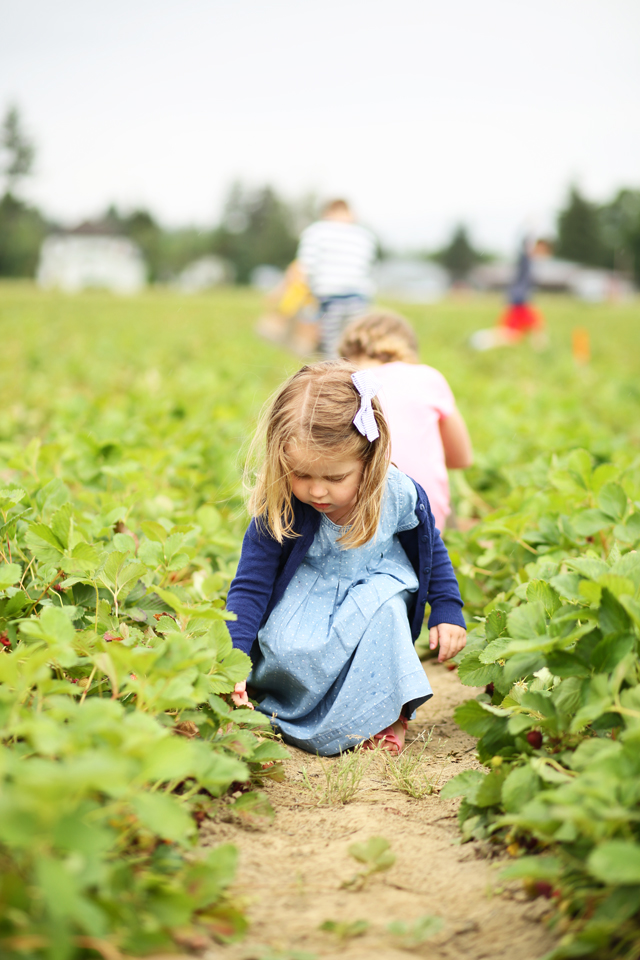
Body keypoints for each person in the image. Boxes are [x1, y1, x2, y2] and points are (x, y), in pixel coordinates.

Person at [225, 360, 466, 756]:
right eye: (301, 474)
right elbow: (251, 585)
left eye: (335, 478)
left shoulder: (399, 493)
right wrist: (233, 658)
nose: (317, 491)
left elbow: (431, 547)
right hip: (308, 604)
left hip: (376, 588)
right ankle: (295, 713)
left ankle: (385, 718)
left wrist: (447, 607)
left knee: (386, 615)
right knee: (288, 647)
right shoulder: (281, 505)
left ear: (369, 461)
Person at [338, 311, 473, 532]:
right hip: (425, 522)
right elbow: (462, 458)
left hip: (353, 525)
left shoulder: (343, 384)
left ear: (346, 353)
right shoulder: (428, 378)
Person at [295, 199, 377, 358]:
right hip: (359, 299)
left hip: (329, 298)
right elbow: (369, 269)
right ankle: (355, 379)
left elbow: (304, 267)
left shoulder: (316, 232)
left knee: (331, 349)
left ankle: (334, 380)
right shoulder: (364, 236)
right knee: (356, 347)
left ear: (327, 213)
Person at [469, 237, 547, 350]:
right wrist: (531, 227)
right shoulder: (526, 259)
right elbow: (525, 245)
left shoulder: (531, 262)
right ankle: (482, 340)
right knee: (519, 332)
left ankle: (482, 340)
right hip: (519, 300)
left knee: (516, 334)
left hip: (520, 300)